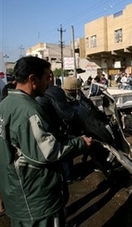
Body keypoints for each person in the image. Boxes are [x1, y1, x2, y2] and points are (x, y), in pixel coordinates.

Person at [0, 56, 93, 227]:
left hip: (15, 195)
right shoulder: (28, 110)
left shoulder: (5, 105)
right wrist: (80, 143)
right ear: (32, 79)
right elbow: (47, 152)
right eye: (46, 78)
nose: (48, 83)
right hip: (36, 201)